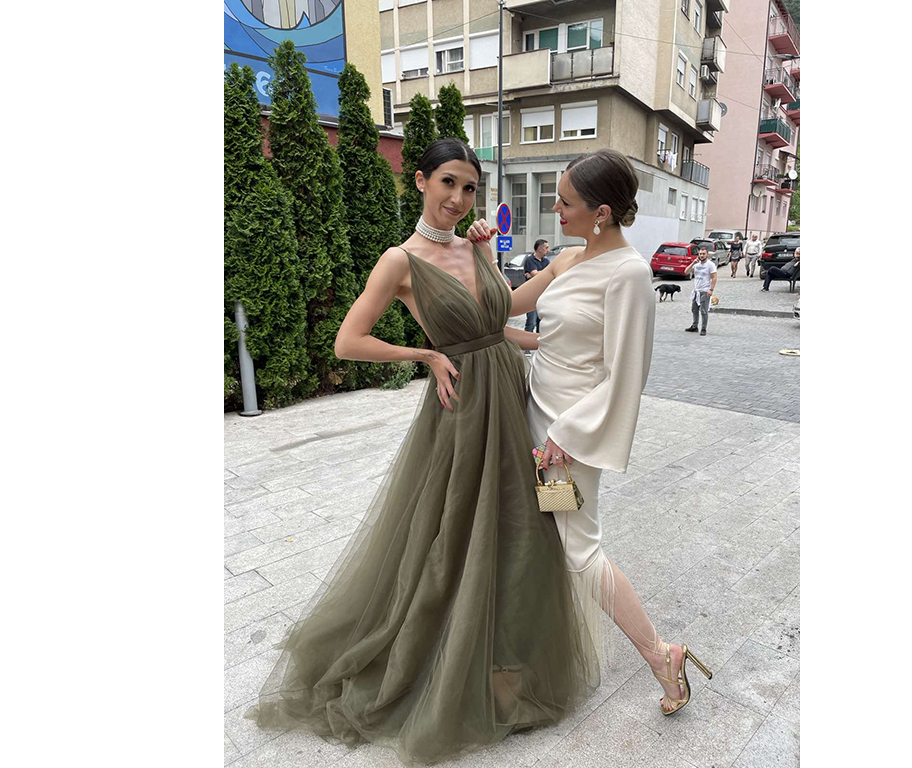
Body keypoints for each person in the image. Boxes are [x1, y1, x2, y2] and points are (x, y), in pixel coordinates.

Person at [247, 138, 599, 765]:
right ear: (420, 181)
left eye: (469, 188)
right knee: (456, 536)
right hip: (462, 410)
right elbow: (348, 341)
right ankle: (447, 659)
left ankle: (509, 658)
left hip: (515, 400)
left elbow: (499, 319)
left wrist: (556, 305)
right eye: (447, 183)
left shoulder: (477, 245)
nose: (458, 199)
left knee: (531, 527)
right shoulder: (399, 261)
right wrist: (426, 355)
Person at [467, 148, 713, 717]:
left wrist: (568, 436)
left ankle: (662, 654)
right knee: (547, 538)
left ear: (601, 212)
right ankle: (530, 651)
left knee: (578, 548)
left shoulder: (629, 274)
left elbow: (626, 374)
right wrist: (482, 252)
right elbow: (502, 308)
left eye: (564, 201)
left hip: (567, 442)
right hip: (534, 418)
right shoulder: (567, 259)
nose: (555, 209)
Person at [684, 246, 717, 336]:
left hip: (705, 291)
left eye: (703, 254)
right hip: (696, 291)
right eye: (700, 254)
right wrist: (693, 263)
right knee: (694, 309)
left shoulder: (710, 265)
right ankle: (695, 326)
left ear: (707, 254)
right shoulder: (696, 264)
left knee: (703, 310)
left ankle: (703, 328)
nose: (702, 255)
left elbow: (714, 277)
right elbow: (686, 272)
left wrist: (711, 289)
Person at [522, 238, 550, 335]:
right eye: (546, 248)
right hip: (531, 296)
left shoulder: (546, 261)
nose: (548, 250)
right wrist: (539, 274)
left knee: (541, 322)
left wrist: (536, 274)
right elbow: (535, 274)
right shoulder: (530, 260)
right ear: (539, 249)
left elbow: (550, 273)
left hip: (543, 295)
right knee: (531, 322)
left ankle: (538, 342)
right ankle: (526, 343)